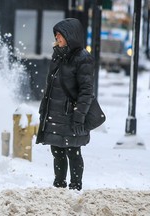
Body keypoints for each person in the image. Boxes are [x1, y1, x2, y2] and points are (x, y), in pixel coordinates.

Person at [36, 18, 95, 191]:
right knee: (57, 151)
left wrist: (79, 116)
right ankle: (59, 185)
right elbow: (50, 86)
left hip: (72, 114)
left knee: (73, 151)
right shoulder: (58, 55)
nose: (57, 38)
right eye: (56, 35)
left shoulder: (83, 58)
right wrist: (43, 110)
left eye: (60, 35)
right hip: (55, 112)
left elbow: (86, 91)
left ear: (71, 36)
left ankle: (75, 186)